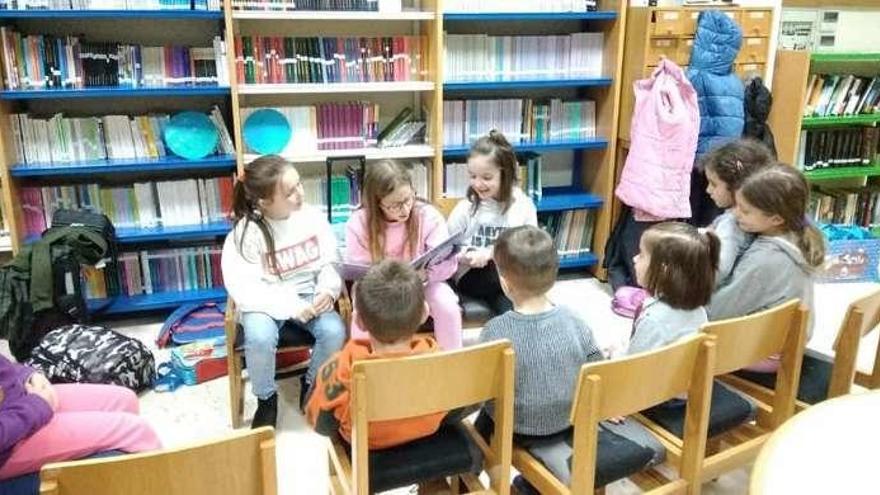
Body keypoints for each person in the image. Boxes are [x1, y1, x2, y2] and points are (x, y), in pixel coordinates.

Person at [477, 226, 664, 491]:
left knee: (482, 416)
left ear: (504, 281)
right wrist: (606, 405)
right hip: (571, 417)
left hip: (519, 425)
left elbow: (482, 388)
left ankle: (479, 472)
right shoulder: (574, 319)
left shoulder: (495, 330)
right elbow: (597, 368)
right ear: (554, 276)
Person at [221, 155, 346, 429]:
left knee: (335, 331)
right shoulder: (245, 234)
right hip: (265, 302)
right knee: (260, 338)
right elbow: (246, 288)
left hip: (309, 294)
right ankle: (266, 397)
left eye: (299, 184)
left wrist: (328, 289)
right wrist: (291, 306)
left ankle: (311, 381)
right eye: (289, 192)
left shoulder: (311, 217)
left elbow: (331, 261)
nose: (300, 194)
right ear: (264, 202)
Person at [306, 260, 444, 449]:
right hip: (425, 435)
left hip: (365, 447)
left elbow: (321, 426)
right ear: (424, 313)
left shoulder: (339, 369)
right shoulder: (441, 362)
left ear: (359, 321)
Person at [709, 164, 825, 371]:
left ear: (776, 218)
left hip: (763, 353)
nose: (735, 214)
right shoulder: (797, 234)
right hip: (786, 343)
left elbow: (716, 314)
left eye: (745, 211)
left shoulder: (766, 260)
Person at [346, 160, 462, 349]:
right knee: (362, 314)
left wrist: (426, 274)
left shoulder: (428, 216)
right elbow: (359, 270)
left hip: (421, 284)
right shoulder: (359, 223)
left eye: (409, 199)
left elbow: (449, 263)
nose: (405, 209)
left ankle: (452, 364)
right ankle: (366, 371)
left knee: (446, 304)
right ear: (376, 203)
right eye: (394, 205)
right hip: (376, 291)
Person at [0, 355, 161, 480]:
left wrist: (28, 375)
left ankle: (135, 482)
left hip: (19, 400)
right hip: (9, 445)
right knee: (135, 431)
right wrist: (36, 406)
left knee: (125, 400)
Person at [447, 130, 538, 315]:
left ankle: (516, 323)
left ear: (505, 175)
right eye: (473, 176)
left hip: (509, 275)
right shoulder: (466, 208)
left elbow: (532, 247)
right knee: (501, 277)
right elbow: (447, 249)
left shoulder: (522, 205)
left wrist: (490, 253)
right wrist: (467, 256)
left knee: (511, 303)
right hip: (474, 276)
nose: (478, 184)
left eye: (487, 178)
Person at [629, 222, 720, 354]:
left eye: (642, 255)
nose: (634, 258)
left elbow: (631, 367)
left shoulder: (653, 320)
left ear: (663, 269)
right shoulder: (699, 311)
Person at [702, 139, 774, 286]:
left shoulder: (731, 224)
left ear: (736, 185)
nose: (708, 190)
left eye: (714, 184)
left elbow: (718, 271)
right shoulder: (761, 217)